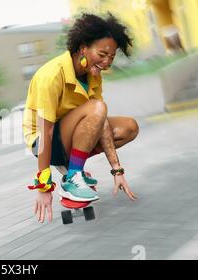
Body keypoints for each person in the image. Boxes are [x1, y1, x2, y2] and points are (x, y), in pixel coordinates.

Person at [23, 13, 139, 223]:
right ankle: (73, 177)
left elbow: (100, 120)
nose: (106, 62)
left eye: (111, 57)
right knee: (96, 107)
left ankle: (74, 170)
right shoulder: (51, 76)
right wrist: (44, 184)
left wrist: (117, 170)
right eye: (102, 54)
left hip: (73, 132)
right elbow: (45, 130)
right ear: (82, 47)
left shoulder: (92, 76)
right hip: (44, 142)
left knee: (129, 127)